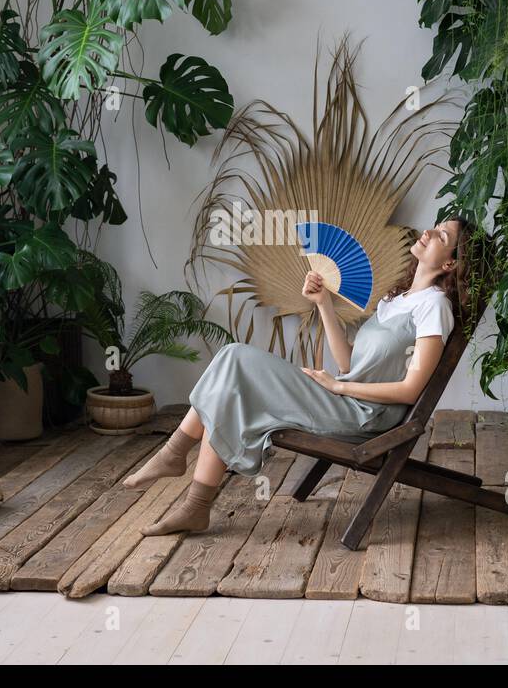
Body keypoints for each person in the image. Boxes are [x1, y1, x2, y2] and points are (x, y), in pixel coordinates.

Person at [125, 217, 474, 536]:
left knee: (234, 358)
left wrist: (338, 386)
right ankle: (194, 504)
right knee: (232, 377)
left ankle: (178, 461)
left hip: (365, 415)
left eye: (441, 235)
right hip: (346, 398)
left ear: (450, 263)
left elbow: (411, 390)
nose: (427, 232)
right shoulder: (395, 299)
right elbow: (350, 361)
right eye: (433, 226)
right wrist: (323, 303)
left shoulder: (434, 307)